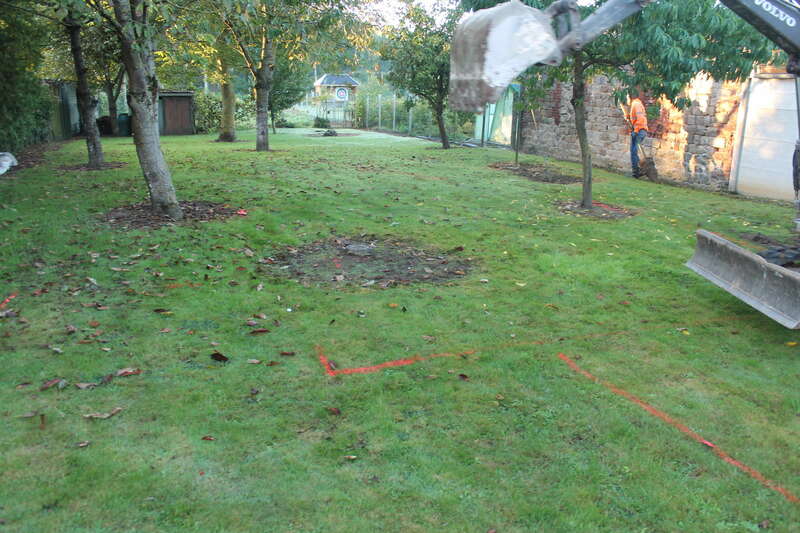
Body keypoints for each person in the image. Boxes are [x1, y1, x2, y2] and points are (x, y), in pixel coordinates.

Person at [627, 89, 648, 178]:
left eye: (627, 97)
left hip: (639, 131)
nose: (627, 99)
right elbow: (636, 118)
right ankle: (637, 171)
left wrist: (635, 131)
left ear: (630, 97)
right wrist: (629, 117)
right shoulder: (636, 104)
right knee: (633, 151)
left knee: (633, 151)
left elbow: (641, 119)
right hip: (639, 130)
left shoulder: (636, 104)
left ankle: (637, 172)